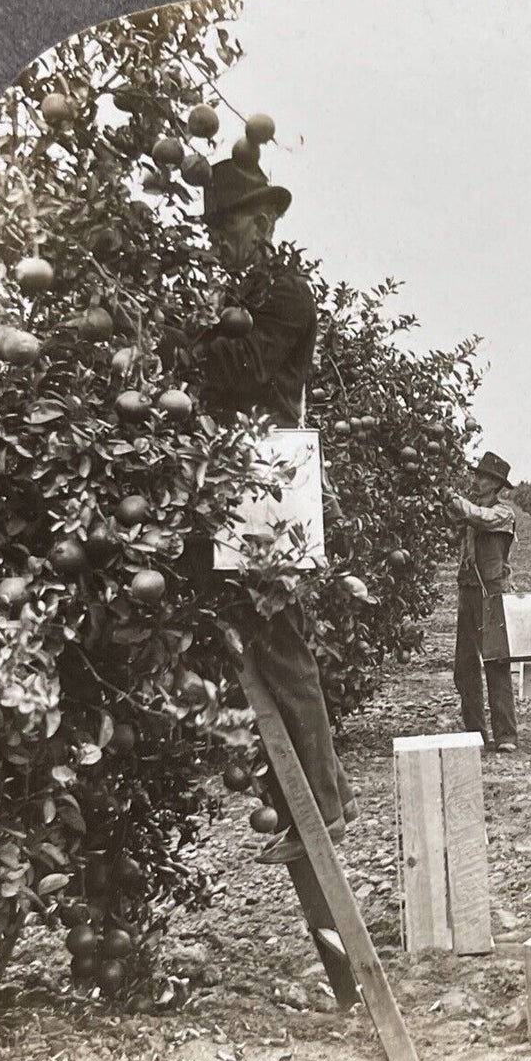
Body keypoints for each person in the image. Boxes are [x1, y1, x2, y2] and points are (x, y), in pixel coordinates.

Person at [184, 158, 359, 865]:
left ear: (259, 224)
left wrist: (188, 337)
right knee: (258, 642)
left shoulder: (285, 294)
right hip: (235, 466)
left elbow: (245, 369)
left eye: (226, 229)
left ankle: (322, 805)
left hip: (268, 469)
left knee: (282, 645)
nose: (218, 244)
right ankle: (321, 798)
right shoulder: (238, 292)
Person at [449, 451, 519, 752]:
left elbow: (481, 518)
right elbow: (458, 522)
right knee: (464, 667)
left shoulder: (503, 514)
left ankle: (505, 735)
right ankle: (475, 732)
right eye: (475, 476)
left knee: (496, 663)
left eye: (481, 477)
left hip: (492, 594)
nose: (475, 481)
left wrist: (451, 498)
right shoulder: (470, 512)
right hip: (468, 591)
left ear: (495, 485)